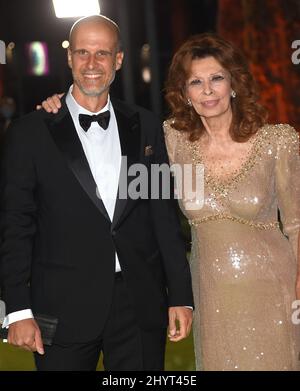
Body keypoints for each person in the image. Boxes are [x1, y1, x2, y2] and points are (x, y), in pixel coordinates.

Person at [0, 15, 194, 371]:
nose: (92, 64)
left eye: (102, 53)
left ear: (118, 59)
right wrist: (17, 308)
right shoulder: (30, 133)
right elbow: (15, 226)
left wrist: (181, 297)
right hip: (61, 309)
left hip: (138, 307)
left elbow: (162, 218)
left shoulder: (145, 126)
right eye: (83, 53)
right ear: (69, 58)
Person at [163, 33, 300, 370]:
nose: (207, 90)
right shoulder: (173, 140)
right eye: (196, 81)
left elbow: (297, 224)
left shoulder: (277, 141)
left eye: (217, 78)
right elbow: (119, 131)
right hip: (212, 298)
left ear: (234, 83)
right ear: (184, 93)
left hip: (275, 293)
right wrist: (63, 105)